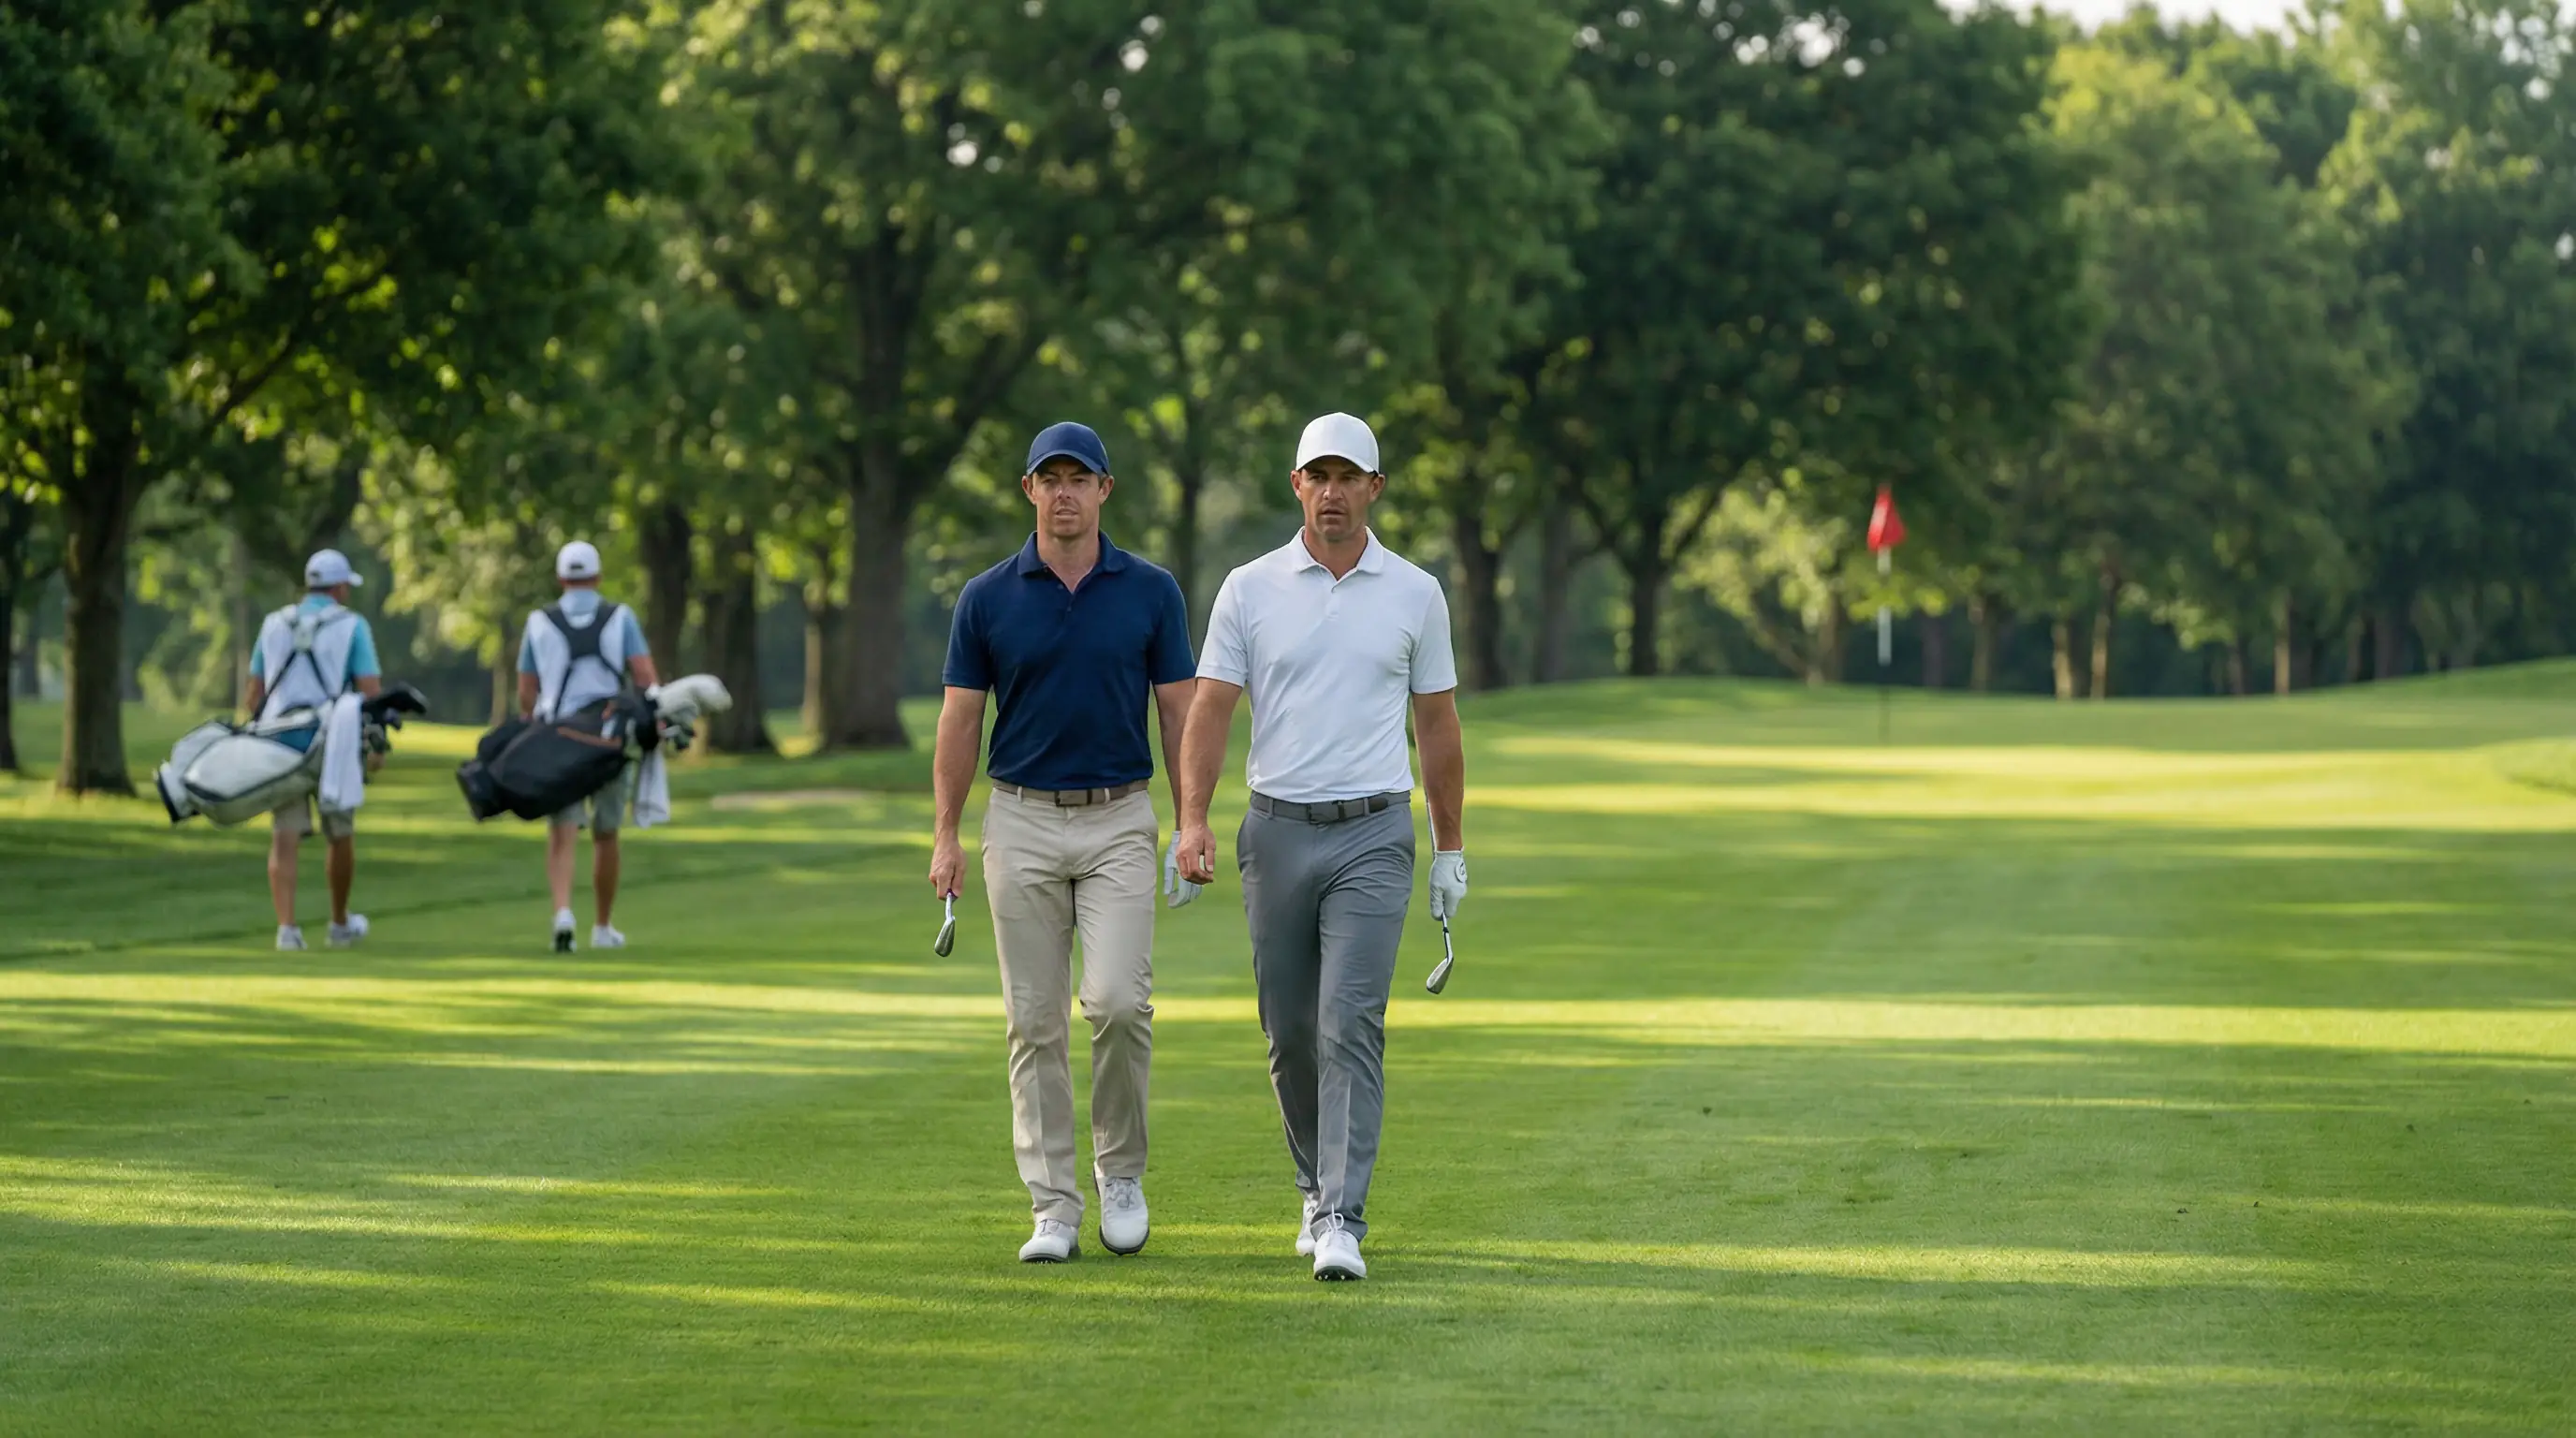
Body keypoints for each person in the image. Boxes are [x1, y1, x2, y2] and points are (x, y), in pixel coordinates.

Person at [1172, 412, 1470, 1283]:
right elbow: (1211, 709)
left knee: (1350, 1024)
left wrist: (1448, 847)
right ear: (1296, 485)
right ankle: (1312, 1184)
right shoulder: (1249, 588)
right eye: (1318, 476)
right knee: (1290, 1031)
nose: (1332, 492)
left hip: (1374, 833)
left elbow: (1438, 725)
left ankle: (1342, 1215)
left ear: (1375, 489)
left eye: (1349, 477)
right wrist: (1192, 820)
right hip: (1276, 831)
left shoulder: (1415, 591)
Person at [930, 420, 1197, 1264]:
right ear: (1030, 491)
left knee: (1117, 1001)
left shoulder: (1151, 591)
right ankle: (1053, 1205)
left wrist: (1193, 817)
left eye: (1081, 478)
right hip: (1020, 818)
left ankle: (1121, 1175)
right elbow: (960, 721)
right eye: (1051, 479)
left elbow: (1181, 710)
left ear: (1105, 491)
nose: (1066, 492)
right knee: (1034, 1021)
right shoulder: (987, 597)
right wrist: (945, 835)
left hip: (1120, 816)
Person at [517, 540, 658, 953]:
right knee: (606, 832)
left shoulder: (539, 622)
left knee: (562, 832)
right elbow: (645, 676)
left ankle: (563, 913)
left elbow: (527, 689)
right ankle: (602, 925)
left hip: (559, 738)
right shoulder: (621, 617)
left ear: (562, 579)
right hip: (610, 737)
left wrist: (534, 719)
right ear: (597, 577)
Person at [244, 549, 386, 952]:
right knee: (339, 832)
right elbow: (371, 690)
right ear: (340, 587)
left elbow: (254, 692)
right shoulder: (351, 625)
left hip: (280, 738)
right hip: (333, 740)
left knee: (284, 834)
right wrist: (376, 742)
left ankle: (287, 929)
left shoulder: (273, 623)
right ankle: (339, 923)